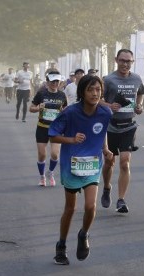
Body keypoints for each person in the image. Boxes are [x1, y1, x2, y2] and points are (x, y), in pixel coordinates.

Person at [49, 75, 113, 265]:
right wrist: (71, 140)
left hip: (92, 165)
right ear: (82, 92)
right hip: (71, 166)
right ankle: (61, 245)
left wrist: (105, 149)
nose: (95, 93)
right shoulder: (70, 112)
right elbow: (53, 136)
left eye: (98, 90)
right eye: (90, 90)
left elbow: (102, 132)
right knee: (70, 209)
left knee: (90, 206)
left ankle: (83, 234)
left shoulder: (105, 112)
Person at [100, 49, 144, 213]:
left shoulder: (136, 78)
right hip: (111, 125)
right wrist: (109, 106)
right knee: (109, 162)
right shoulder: (108, 79)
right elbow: (97, 100)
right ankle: (106, 187)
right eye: (122, 60)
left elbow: (140, 94)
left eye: (129, 61)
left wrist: (139, 106)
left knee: (125, 162)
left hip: (129, 125)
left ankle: (121, 200)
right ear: (116, 60)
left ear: (132, 62)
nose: (125, 64)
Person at [29, 71, 67, 186]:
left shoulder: (62, 95)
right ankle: (42, 176)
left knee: (55, 154)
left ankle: (50, 172)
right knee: (42, 154)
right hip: (42, 127)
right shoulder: (41, 94)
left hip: (56, 129)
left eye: (57, 81)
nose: (55, 83)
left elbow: (65, 110)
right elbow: (31, 108)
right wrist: (38, 108)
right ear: (47, 81)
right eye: (52, 81)